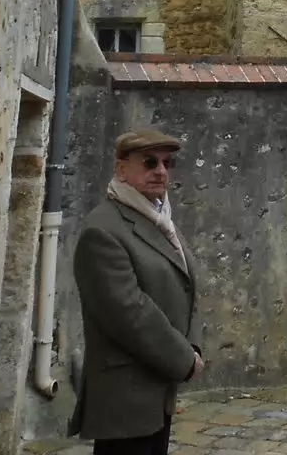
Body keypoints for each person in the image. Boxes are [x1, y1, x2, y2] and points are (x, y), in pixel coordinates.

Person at [68, 129, 203, 455]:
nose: (161, 171)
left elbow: (185, 283)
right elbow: (129, 313)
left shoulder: (156, 217)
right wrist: (185, 359)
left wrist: (194, 345)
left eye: (167, 163)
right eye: (149, 162)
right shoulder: (103, 230)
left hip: (157, 387)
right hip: (126, 396)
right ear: (121, 169)